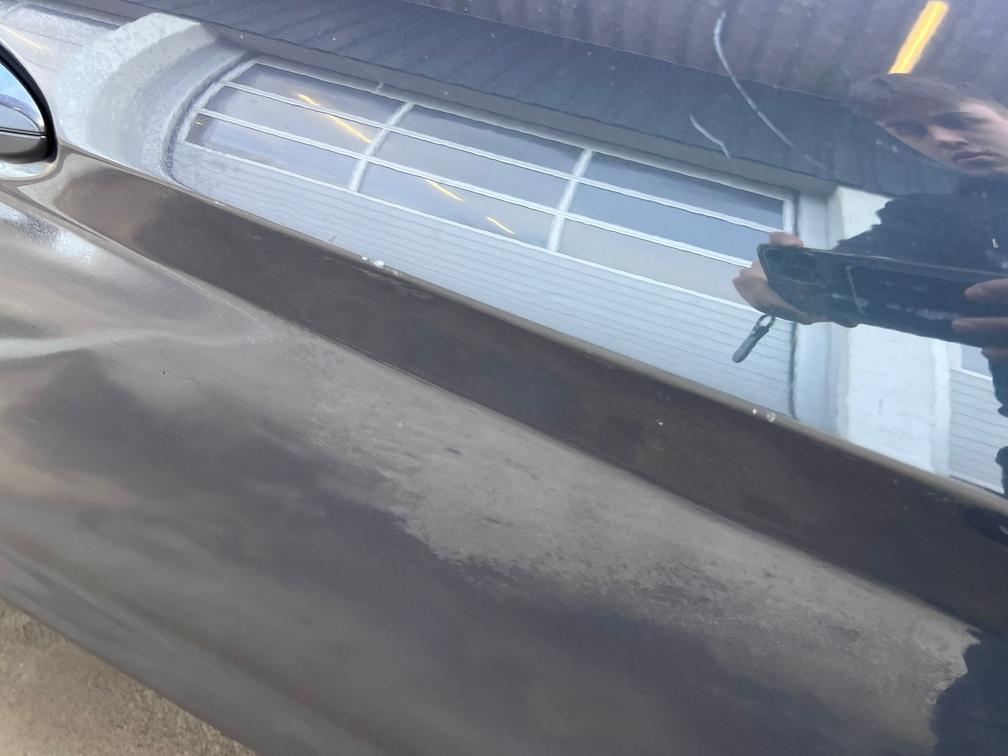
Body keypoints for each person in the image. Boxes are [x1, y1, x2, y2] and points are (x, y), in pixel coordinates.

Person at [734, 73, 1008, 491]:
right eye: (912, 131)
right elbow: (849, 269)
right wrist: (786, 281)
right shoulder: (934, 219)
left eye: (958, 121)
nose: (941, 139)